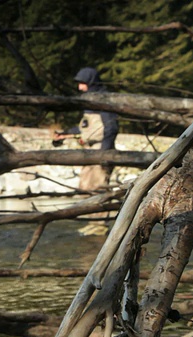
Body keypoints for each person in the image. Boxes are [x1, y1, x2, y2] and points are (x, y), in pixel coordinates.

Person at [53, 67, 119, 236]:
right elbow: (85, 128)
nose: (80, 88)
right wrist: (65, 134)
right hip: (89, 151)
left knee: (99, 188)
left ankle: (99, 225)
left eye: (82, 83)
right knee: (86, 187)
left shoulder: (104, 101)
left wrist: (104, 154)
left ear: (91, 83)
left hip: (100, 151)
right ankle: (92, 221)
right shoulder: (89, 104)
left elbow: (111, 128)